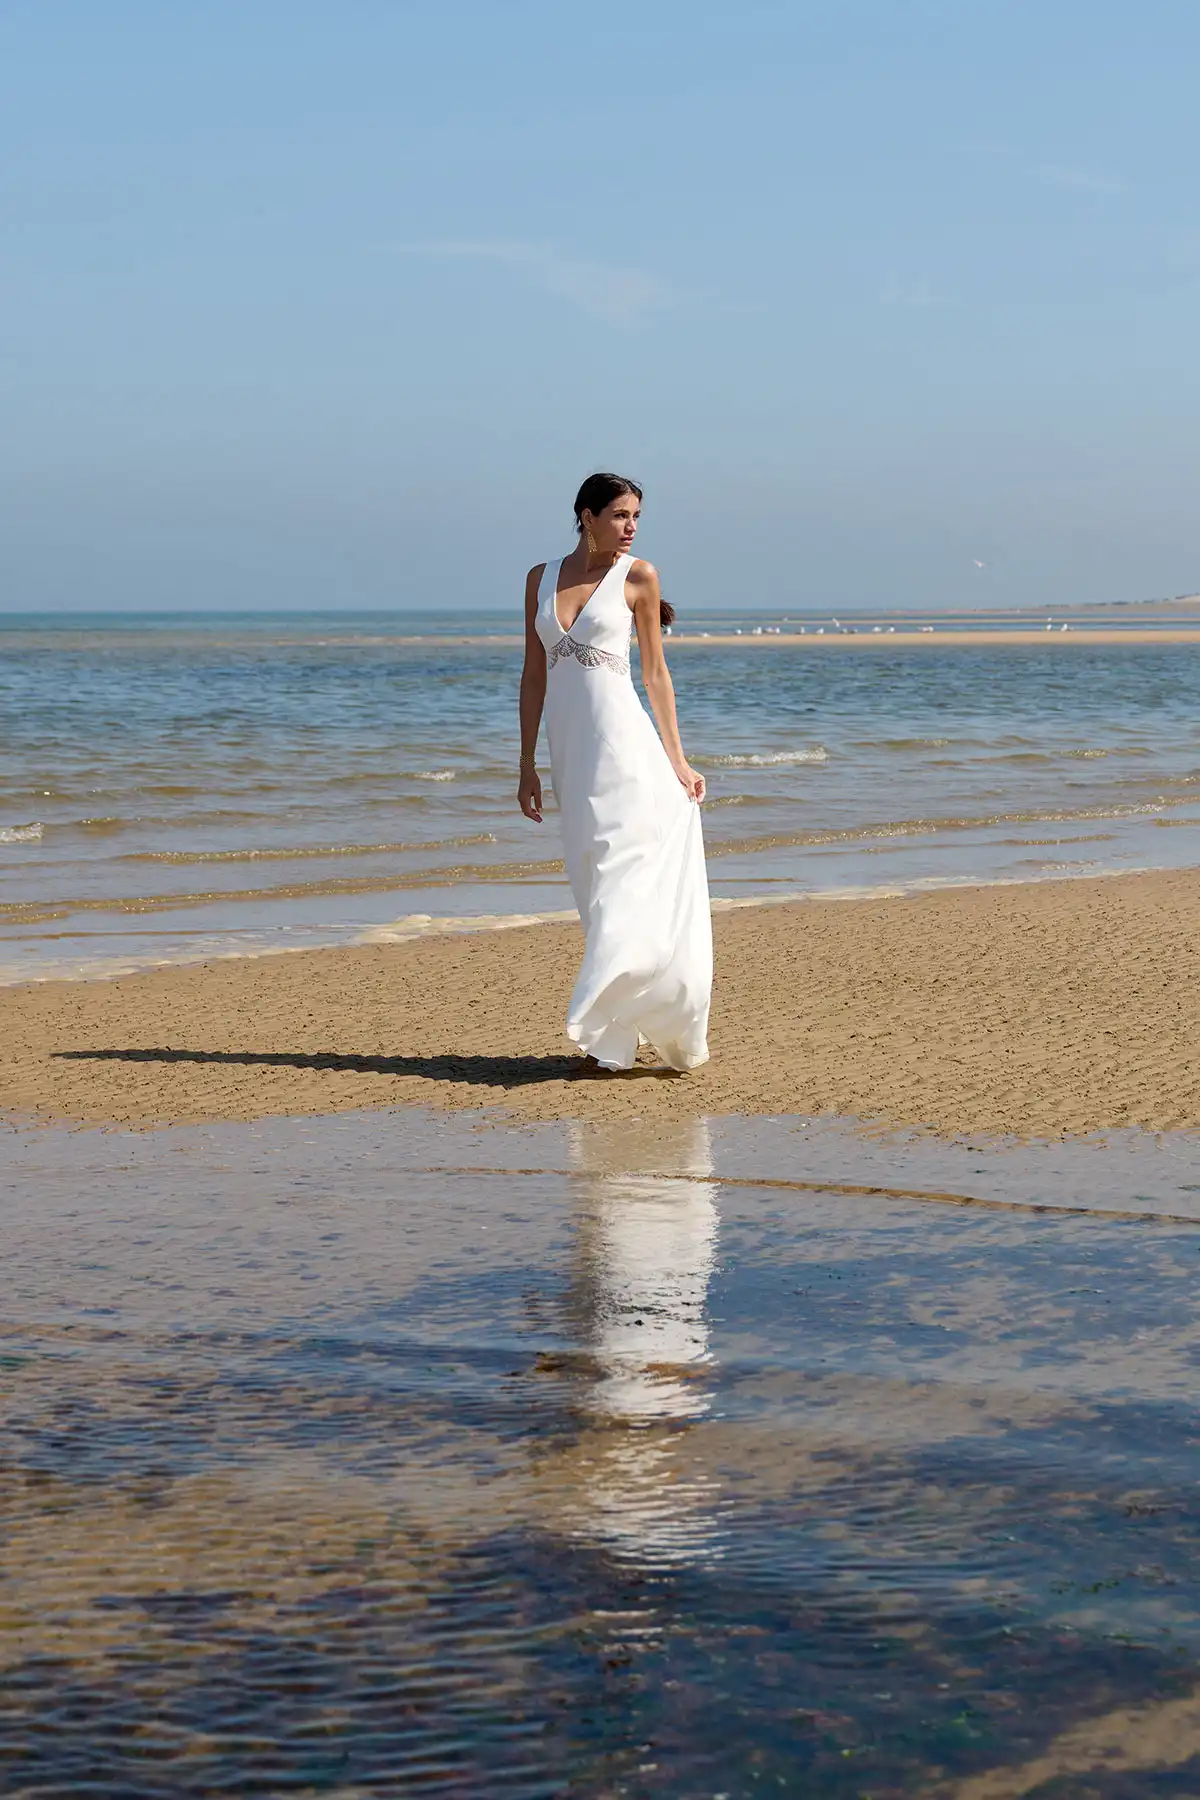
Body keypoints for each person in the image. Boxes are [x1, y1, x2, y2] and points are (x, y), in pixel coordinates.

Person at [517, 472, 712, 1071]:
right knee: (597, 891)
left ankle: (604, 1037)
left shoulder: (639, 578)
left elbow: (654, 675)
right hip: (572, 759)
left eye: (636, 518)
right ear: (586, 516)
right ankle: (621, 1035)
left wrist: (677, 759)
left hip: (628, 754)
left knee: (624, 883)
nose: (630, 528)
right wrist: (526, 764)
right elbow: (533, 674)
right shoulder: (540, 579)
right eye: (620, 516)